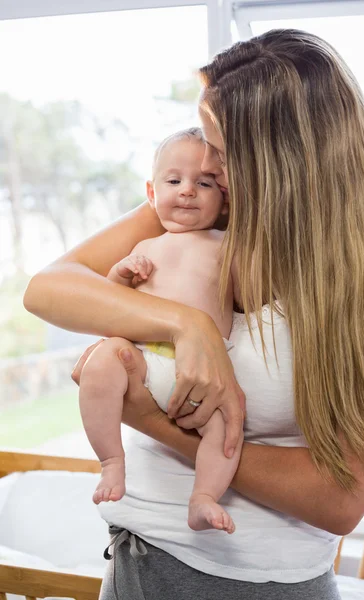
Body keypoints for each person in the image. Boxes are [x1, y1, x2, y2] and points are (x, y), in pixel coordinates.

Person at [23, 29, 364, 600]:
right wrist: (187, 324)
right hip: (135, 566)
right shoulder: (192, 209)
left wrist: (150, 419)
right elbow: (49, 288)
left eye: (220, 151)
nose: (202, 161)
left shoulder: (363, 286)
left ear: (279, 159)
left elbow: (339, 501)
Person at [79, 126, 242, 535]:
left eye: (204, 183)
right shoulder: (146, 247)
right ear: (152, 193)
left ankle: (203, 496)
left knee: (226, 428)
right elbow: (111, 308)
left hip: (201, 370)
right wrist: (120, 275)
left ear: (224, 199)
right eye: (174, 181)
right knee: (100, 364)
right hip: (145, 360)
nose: (187, 190)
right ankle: (111, 462)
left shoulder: (227, 246)